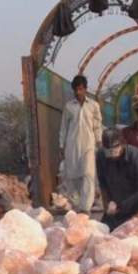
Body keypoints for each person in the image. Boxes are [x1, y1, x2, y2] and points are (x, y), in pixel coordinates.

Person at [96, 128, 138, 229]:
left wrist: (137, 217)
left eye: (114, 150)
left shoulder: (137, 158)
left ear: (123, 144)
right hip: (119, 207)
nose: (112, 157)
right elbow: (103, 185)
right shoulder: (101, 156)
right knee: (105, 235)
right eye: (108, 152)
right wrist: (107, 206)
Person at [59, 74, 103, 213]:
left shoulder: (94, 106)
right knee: (72, 176)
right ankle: (78, 204)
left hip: (89, 145)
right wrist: (61, 145)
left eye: (81, 89)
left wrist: (99, 140)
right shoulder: (69, 107)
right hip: (72, 145)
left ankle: (86, 207)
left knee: (88, 175)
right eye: (76, 90)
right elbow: (64, 127)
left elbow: (97, 125)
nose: (78, 92)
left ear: (85, 89)